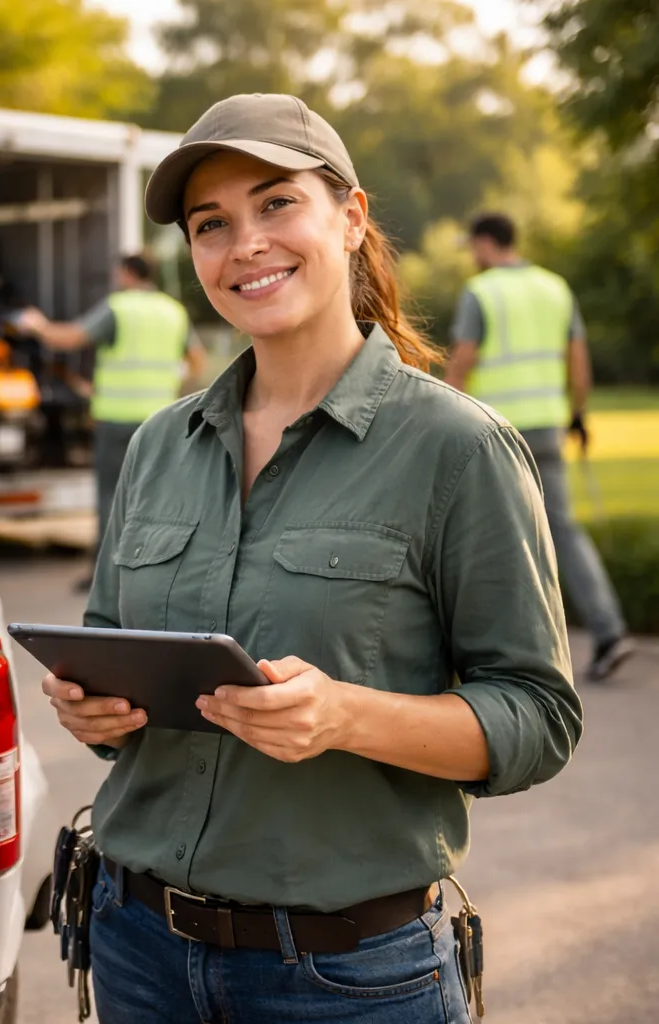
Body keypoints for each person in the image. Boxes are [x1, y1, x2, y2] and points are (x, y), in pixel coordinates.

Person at [40, 94, 583, 1023]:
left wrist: (346, 716)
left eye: (276, 203)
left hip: (347, 982)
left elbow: (539, 715)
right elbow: (107, 653)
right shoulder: (161, 443)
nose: (244, 244)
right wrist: (91, 710)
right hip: (136, 948)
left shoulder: (458, 449)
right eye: (212, 224)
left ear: (352, 217)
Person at [445, 213, 634, 682]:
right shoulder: (555, 288)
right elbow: (578, 361)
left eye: (473, 247)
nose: (472, 256)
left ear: (486, 244)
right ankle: (609, 630)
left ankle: (509, 656)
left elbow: (462, 361)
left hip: (494, 434)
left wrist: (443, 416)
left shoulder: (482, 292)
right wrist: (578, 413)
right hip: (548, 427)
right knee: (562, 531)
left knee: (490, 538)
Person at [17, 255, 205, 589]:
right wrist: (170, 385)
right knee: (158, 496)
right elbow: (197, 360)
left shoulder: (120, 308)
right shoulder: (173, 311)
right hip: (160, 420)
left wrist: (38, 326)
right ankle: (157, 572)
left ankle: (106, 579)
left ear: (129, 274)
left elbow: (70, 338)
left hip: (117, 421)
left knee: (112, 498)